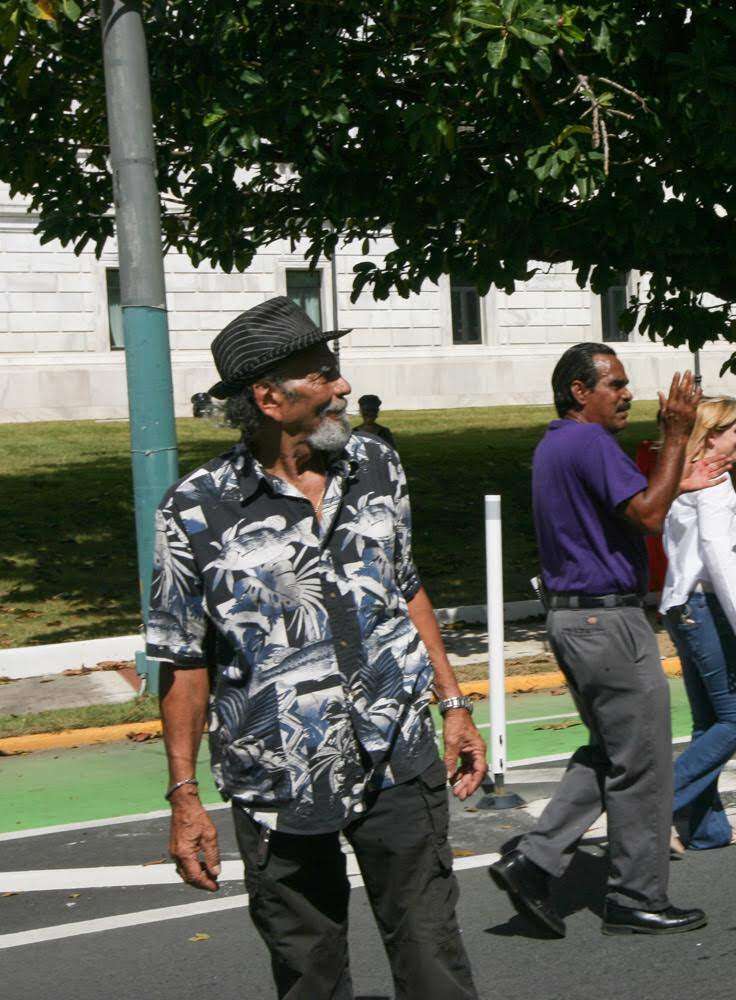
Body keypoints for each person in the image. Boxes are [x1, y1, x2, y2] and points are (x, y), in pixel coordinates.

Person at [149, 296, 485, 999]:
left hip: (396, 752)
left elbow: (408, 587)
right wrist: (184, 796)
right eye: (323, 374)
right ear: (270, 399)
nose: (340, 387)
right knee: (311, 973)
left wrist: (453, 705)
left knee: (432, 955)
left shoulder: (377, 466)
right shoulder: (194, 510)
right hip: (277, 776)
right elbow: (183, 660)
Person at [489, 343, 728, 937]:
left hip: (576, 620)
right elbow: (647, 515)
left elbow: (629, 506)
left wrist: (678, 477)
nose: (626, 394)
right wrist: (675, 435)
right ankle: (635, 897)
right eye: (615, 384)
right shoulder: (590, 443)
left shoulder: (555, 444)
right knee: (643, 763)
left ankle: (534, 859)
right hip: (607, 622)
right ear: (579, 391)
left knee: (613, 751)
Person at [659, 398, 736, 852]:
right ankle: (656, 808)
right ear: (712, 436)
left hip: (680, 605)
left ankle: (706, 829)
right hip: (706, 607)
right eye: (735, 429)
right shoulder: (713, 484)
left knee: (710, 722)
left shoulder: (679, 481)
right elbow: (718, 554)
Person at [634, 411, 670, 595]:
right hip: (658, 509)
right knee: (658, 555)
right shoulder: (647, 449)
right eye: (665, 423)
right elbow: (640, 481)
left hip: (680, 509)